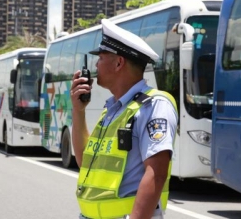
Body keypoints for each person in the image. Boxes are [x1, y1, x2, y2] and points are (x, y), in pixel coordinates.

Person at [70, 19, 178, 219]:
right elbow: (84, 160)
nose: (96, 64)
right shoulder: (113, 109)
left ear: (119, 63)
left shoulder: (154, 105)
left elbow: (156, 174)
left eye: (101, 58)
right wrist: (78, 111)